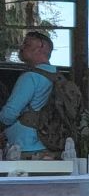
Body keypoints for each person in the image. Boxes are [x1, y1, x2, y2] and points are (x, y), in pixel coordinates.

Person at [1, 29, 58, 158]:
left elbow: (9, 113)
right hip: (49, 145)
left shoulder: (31, 77)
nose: (21, 48)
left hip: (25, 147)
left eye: (27, 44)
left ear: (41, 47)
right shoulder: (58, 78)